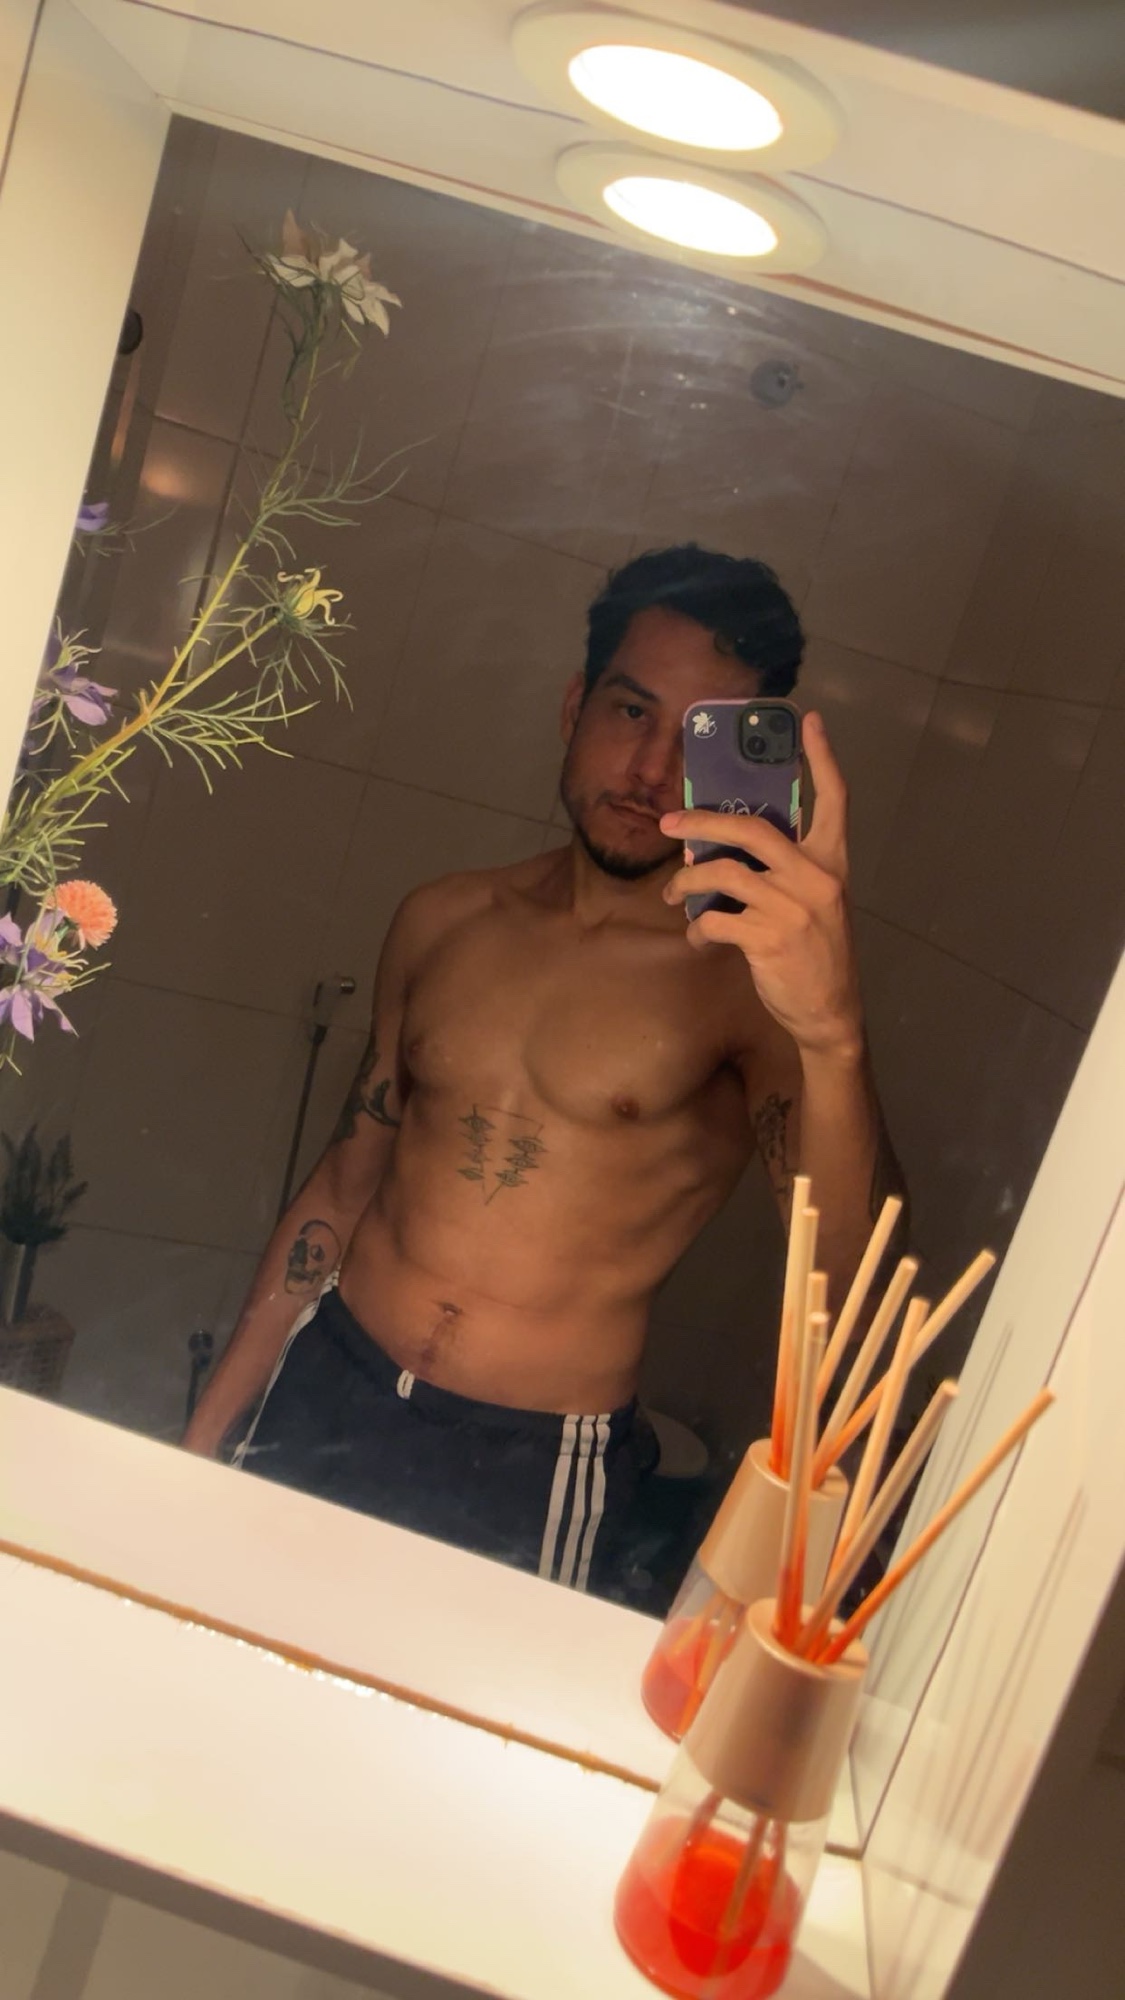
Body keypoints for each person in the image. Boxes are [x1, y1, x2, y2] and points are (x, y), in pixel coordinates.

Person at [183, 544, 902, 1596]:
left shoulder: (748, 988)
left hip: (530, 1462)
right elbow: (339, 1189)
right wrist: (203, 1436)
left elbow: (848, 1290)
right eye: (631, 711)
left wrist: (833, 1032)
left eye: (695, 737)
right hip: (325, 1374)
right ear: (574, 706)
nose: (651, 769)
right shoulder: (443, 918)